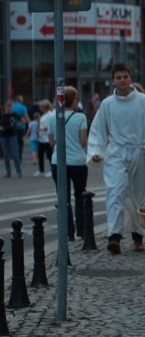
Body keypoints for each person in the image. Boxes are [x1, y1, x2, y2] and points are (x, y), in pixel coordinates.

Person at [87, 63, 145, 254]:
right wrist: (97, 150)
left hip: (139, 151)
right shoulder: (107, 104)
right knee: (115, 192)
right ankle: (114, 236)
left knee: (139, 195)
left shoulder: (144, 101)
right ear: (113, 80)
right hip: (116, 153)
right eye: (118, 78)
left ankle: (138, 236)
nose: (122, 80)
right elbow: (98, 129)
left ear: (130, 77)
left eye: (125, 77)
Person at [48, 86, 89, 240]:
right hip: (78, 162)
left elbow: (51, 143)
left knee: (63, 198)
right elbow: (83, 142)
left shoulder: (53, 117)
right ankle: (81, 229)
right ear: (75, 100)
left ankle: (68, 232)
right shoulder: (80, 118)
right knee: (80, 195)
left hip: (58, 162)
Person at [1, 100, 22, 178]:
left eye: (10, 106)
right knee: (6, 155)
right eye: (7, 106)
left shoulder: (14, 115)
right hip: (3, 135)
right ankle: (8, 171)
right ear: (5, 107)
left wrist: (17, 125)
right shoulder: (2, 115)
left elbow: (23, 120)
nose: (9, 108)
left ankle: (18, 171)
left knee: (14, 154)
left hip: (12, 135)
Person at [37, 100, 54, 177]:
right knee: (40, 154)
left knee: (49, 155)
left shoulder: (49, 115)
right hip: (41, 138)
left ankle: (52, 170)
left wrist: (42, 129)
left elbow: (50, 126)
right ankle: (41, 170)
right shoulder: (43, 115)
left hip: (47, 138)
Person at [11, 95, 30, 162]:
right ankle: (19, 157)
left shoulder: (12, 107)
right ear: (19, 100)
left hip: (13, 127)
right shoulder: (23, 107)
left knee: (14, 142)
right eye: (22, 99)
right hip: (21, 127)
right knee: (20, 143)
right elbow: (27, 118)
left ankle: (14, 156)